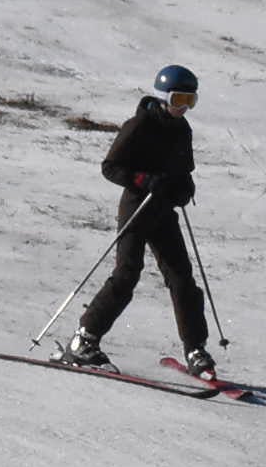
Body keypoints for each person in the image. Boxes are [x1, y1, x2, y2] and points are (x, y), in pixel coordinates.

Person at [62, 64, 215, 378]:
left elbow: (184, 170)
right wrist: (144, 180)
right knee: (127, 274)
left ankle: (195, 348)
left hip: (162, 211)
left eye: (190, 100)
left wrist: (184, 188)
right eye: (178, 99)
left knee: (182, 278)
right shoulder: (138, 125)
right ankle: (84, 339)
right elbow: (111, 167)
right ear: (162, 97)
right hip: (136, 206)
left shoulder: (182, 129)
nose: (183, 108)